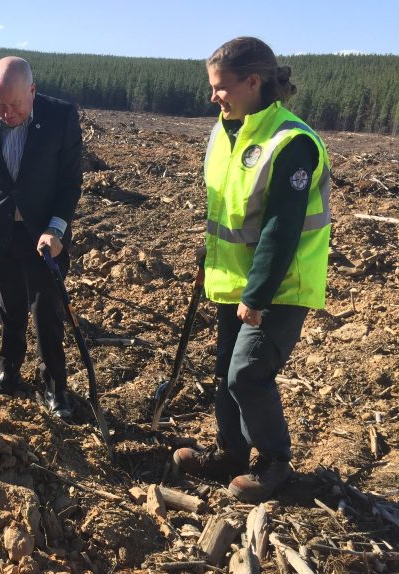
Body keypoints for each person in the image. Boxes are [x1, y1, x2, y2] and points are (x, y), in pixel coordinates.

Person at [173, 37, 331, 502]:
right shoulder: (227, 131)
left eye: (221, 87)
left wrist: (257, 296)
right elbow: (224, 211)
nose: (213, 96)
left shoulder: (290, 142)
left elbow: (282, 231)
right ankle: (232, 453)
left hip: (281, 284)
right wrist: (207, 260)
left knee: (247, 373)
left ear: (253, 82)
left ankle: (275, 463)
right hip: (233, 279)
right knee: (224, 371)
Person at [0, 56, 83, 420]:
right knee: (9, 308)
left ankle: (55, 387)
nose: (8, 113)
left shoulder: (61, 117)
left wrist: (56, 228)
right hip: (1, 234)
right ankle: (9, 372)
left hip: (46, 236)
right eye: (1, 105)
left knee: (46, 312)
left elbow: (70, 182)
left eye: (15, 105)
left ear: (32, 90)